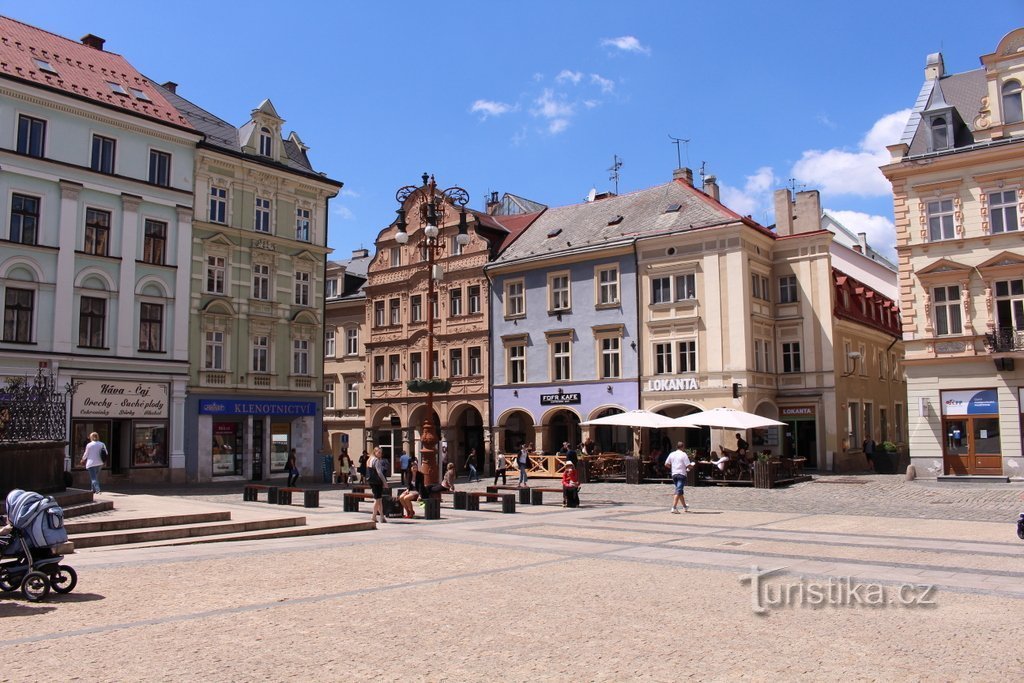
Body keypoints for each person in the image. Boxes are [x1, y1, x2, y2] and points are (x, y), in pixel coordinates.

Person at [665, 441, 693, 513]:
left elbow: (666, 464)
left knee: (680, 491)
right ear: (682, 447)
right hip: (681, 474)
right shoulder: (683, 455)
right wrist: (691, 466)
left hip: (674, 474)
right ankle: (674, 507)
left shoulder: (672, 454)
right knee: (678, 490)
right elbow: (688, 466)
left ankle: (685, 506)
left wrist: (672, 467)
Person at [367, 447, 388, 523]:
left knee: (379, 499)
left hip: (371, 481)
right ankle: (373, 516)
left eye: (381, 452)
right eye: (379, 452)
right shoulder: (376, 460)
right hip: (377, 482)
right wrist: (385, 482)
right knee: (377, 499)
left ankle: (382, 516)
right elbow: (379, 472)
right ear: (375, 452)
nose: (380, 454)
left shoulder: (369, 459)